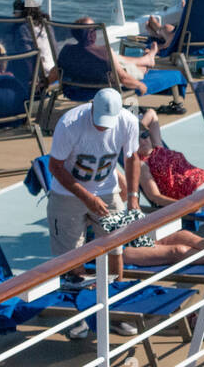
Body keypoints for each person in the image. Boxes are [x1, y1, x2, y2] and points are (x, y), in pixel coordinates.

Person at [47, 88, 140, 315]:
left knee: (115, 246)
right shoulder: (69, 124)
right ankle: (78, 314)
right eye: (99, 121)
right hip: (67, 195)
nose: (103, 127)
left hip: (107, 191)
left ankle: (116, 304)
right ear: (91, 107)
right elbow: (55, 166)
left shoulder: (127, 122)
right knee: (71, 258)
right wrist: (87, 197)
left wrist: (133, 198)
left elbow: (132, 157)